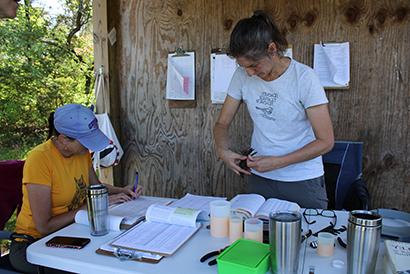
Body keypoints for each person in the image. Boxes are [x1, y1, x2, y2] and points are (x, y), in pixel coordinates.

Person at [213, 11, 334, 209]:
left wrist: (278, 162)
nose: (250, 73)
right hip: (260, 178)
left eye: (254, 65)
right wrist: (222, 151)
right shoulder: (242, 76)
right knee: (257, 238)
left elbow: (326, 141)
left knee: (306, 236)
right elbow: (222, 124)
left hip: (302, 180)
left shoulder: (304, 78)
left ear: (272, 49)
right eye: (244, 67)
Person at [10, 103, 142, 274]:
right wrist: (92, 206)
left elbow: (96, 188)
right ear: (64, 139)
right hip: (32, 245)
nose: (89, 146)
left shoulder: (81, 153)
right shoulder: (40, 159)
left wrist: (121, 190)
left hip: (71, 232)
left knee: (116, 260)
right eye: (86, 141)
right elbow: (44, 226)